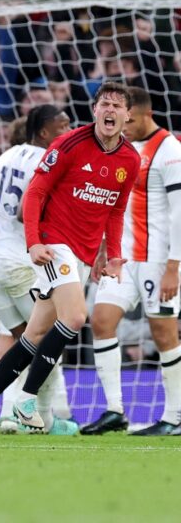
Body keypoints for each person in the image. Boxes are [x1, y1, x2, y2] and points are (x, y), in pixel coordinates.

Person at [0, 81, 141, 442]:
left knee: (34, 334)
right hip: (55, 244)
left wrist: (114, 255)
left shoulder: (130, 160)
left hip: (84, 255)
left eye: (117, 106)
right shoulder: (70, 144)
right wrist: (33, 243)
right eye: (104, 103)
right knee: (74, 317)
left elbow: (116, 210)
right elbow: (36, 192)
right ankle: (26, 400)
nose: (110, 110)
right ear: (95, 110)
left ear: (127, 116)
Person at [0, 106, 76, 435]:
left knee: (22, 341)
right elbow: (28, 212)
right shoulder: (47, 161)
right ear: (43, 133)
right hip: (19, 264)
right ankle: (39, 420)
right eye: (62, 126)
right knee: (51, 338)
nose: (68, 131)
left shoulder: (7, 155)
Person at [82, 87, 181, 436]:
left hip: (158, 261)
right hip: (122, 259)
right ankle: (115, 411)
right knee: (102, 320)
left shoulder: (169, 150)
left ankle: (175, 416)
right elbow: (110, 204)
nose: (124, 126)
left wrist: (174, 266)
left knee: (164, 332)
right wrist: (101, 249)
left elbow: (179, 212)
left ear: (145, 115)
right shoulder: (122, 149)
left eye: (130, 120)